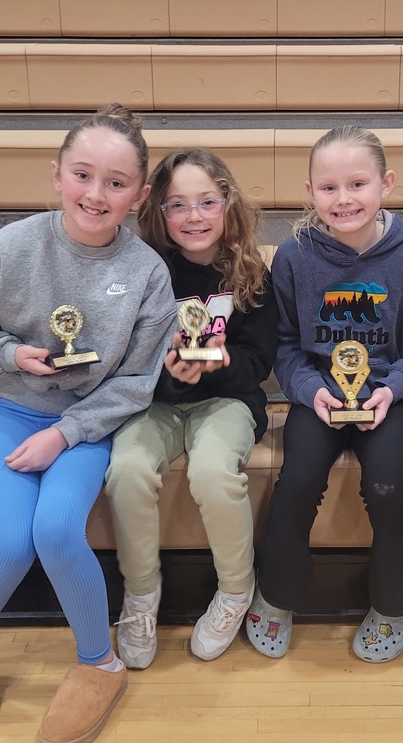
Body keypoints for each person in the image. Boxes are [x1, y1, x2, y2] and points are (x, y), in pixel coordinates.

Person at [0, 104, 177, 743]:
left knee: (58, 529)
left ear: (139, 196)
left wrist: (66, 433)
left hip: (87, 425)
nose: (97, 194)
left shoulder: (148, 272)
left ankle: (100, 661)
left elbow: (137, 381)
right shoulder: (12, 246)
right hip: (10, 412)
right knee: (10, 541)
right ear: (57, 174)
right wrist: (10, 355)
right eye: (83, 175)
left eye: (116, 183)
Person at [246, 125, 403, 663]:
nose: (344, 199)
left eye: (357, 184)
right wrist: (311, 389)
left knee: (387, 486)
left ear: (386, 184)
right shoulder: (293, 256)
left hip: (390, 397)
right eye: (329, 187)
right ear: (310, 191)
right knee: (297, 481)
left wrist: (393, 389)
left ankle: (396, 600)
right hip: (318, 397)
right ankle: (277, 594)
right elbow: (286, 345)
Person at [104, 148, 277, 666]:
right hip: (157, 402)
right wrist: (169, 374)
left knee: (212, 472)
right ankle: (140, 596)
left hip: (227, 400)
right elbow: (128, 353)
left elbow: (260, 360)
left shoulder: (250, 272)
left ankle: (234, 591)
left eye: (206, 201)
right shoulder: (144, 271)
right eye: (178, 205)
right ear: (158, 211)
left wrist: (216, 364)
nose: (194, 216)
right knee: (126, 470)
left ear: (227, 203)